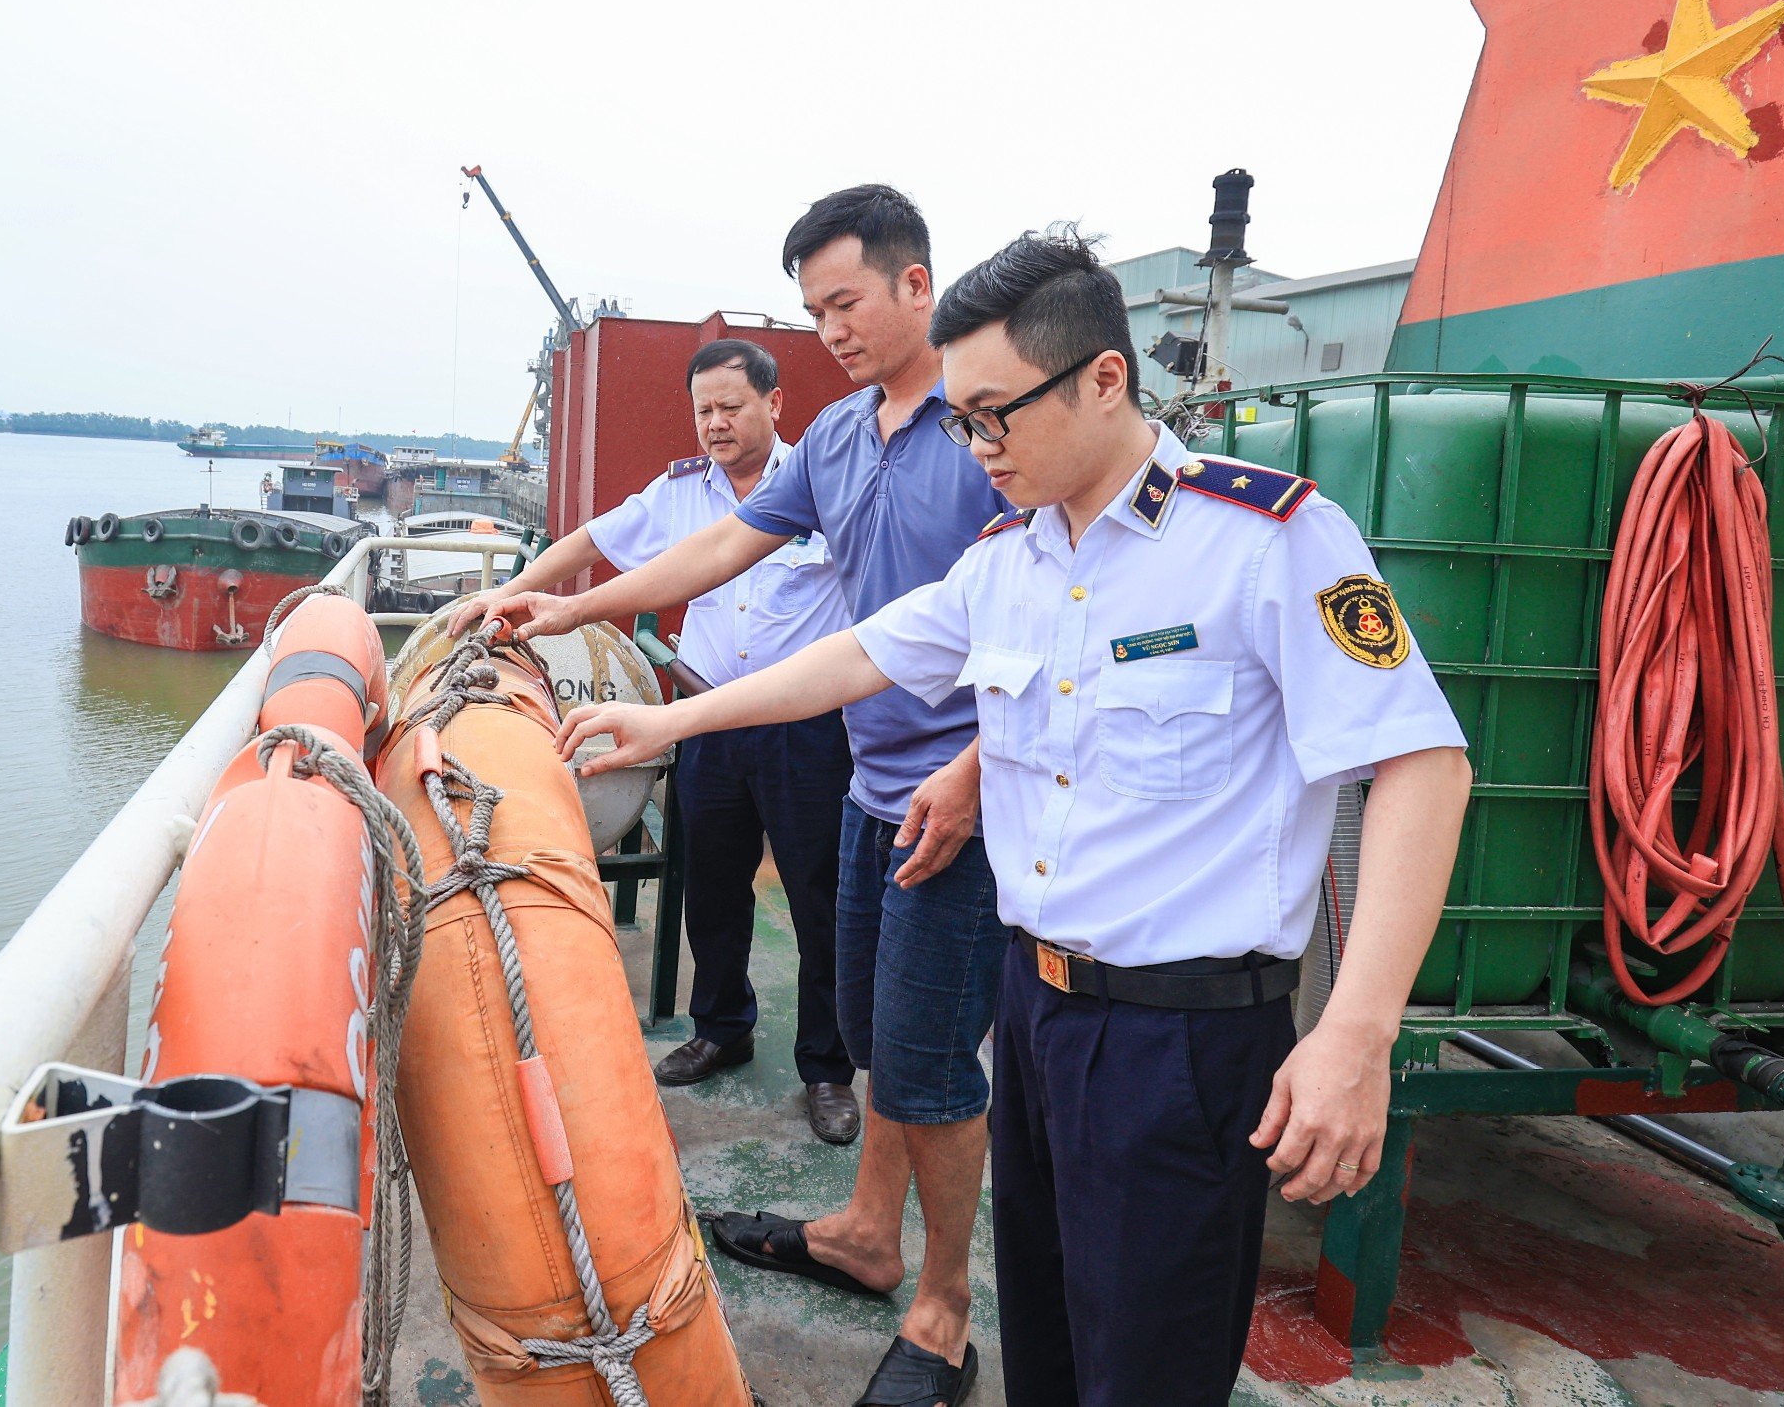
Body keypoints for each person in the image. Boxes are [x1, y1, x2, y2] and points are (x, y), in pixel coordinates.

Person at [558, 226, 1475, 1407]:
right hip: (1032, 1012)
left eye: (996, 415)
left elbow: (1422, 765)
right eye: (962, 420)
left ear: (1104, 379)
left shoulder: (1266, 541)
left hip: (1179, 1044)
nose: (977, 446)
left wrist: (1355, 1036)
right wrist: (669, 727)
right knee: (1044, 1341)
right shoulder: (1012, 558)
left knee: (1141, 1367)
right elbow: (859, 654)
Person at [455, 185, 1008, 1404]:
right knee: (870, 1037)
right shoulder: (843, 440)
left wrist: (977, 769)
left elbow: (1061, 602)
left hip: (963, 798)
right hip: (872, 774)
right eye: (817, 311)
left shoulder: (989, 431)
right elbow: (713, 549)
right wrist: (570, 607)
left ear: (917, 285)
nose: (836, 329)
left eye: (848, 302)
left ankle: (945, 1310)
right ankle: (867, 1233)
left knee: (928, 1067)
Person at [464, 337, 860, 1140]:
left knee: (821, 900)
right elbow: (593, 542)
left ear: (774, 403)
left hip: (804, 724)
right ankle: (722, 1026)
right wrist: (510, 591)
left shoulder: (821, 485)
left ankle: (827, 1069)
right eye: (703, 410)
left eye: (731, 407)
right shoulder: (680, 494)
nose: (714, 424)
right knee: (712, 883)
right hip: (708, 715)